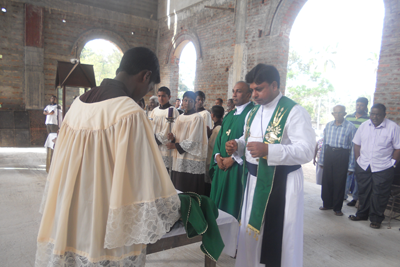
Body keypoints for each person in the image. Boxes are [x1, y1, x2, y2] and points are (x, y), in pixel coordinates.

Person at [35, 47, 181, 267]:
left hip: (71, 211)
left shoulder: (77, 105)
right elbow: (143, 178)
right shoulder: (129, 113)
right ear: (146, 76)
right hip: (106, 221)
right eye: (150, 88)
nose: (146, 94)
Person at [225, 64, 315, 267]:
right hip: (254, 182)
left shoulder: (294, 111)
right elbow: (248, 138)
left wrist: (269, 150)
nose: (254, 94)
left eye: (259, 89)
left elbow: (307, 150)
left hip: (281, 184)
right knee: (251, 233)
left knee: (278, 237)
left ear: (275, 85)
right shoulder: (253, 112)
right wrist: (237, 145)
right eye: (252, 89)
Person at [349, 103, 400, 229]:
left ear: (384, 115)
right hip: (364, 165)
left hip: (383, 167)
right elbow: (357, 144)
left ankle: (376, 219)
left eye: (378, 114)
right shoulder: (364, 126)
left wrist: (392, 164)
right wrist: (358, 160)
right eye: (372, 113)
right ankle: (362, 214)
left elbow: (398, 148)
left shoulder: (393, 127)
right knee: (363, 192)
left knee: (380, 194)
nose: (375, 116)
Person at [209, 81, 254, 219]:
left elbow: (252, 139)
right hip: (221, 165)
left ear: (248, 94)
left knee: (231, 208)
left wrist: (233, 159)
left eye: (239, 91)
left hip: (236, 168)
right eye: (233, 91)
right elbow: (219, 139)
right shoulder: (229, 115)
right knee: (216, 209)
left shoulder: (253, 114)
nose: (234, 94)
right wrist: (217, 156)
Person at [166, 91, 208, 195]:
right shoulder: (180, 117)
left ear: (194, 102)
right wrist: (172, 138)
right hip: (179, 160)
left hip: (191, 160)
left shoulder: (197, 118)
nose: (187, 103)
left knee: (189, 190)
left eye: (190, 101)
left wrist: (174, 145)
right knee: (179, 189)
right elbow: (176, 136)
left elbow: (194, 141)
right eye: (185, 100)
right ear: (182, 101)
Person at [319, 105, 356, 216]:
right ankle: (327, 203)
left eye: (340, 113)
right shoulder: (328, 125)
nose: (337, 115)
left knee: (339, 182)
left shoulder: (350, 127)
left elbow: (353, 147)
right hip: (329, 153)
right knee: (327, 180)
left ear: (344, 114)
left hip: (342, 154)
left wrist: (351, 165)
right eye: (335, 112)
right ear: (333, 114)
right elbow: (324, 143)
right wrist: (321, 160)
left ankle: (337, 208)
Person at [344, 97, 369, 206]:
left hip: (361, 150)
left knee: (358, 175)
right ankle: (343, 195)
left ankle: (355, 198)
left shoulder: (368, 119)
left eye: (361, 105)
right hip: (348, 149)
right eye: (357, 104)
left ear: (365, 106)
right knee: (346, 173)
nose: (359, 107)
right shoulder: (348, 117)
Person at [149, 86, 180, 169]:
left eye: (163, 96)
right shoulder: (154, 110)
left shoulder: (173, 110)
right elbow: (150, 126)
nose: (161, 98)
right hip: (154, 145)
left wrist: (154, 139)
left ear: (169, 97)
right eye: (159, 96)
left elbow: (169, 130)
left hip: (165, 147)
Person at [205, 105, 224, 196]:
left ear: (212, 115)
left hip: (212, 159)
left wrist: (208, 135)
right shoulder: (220, 126)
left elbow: (212, 145)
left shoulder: (217, 129)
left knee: (209, 183)